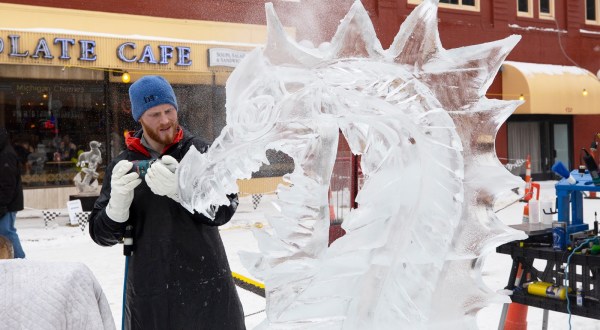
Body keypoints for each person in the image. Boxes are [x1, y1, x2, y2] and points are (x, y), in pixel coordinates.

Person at [88, 76, 245, 329]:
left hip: (207, 289)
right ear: (139, 116)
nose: (164, 120)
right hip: (151, 295)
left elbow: (226, 208)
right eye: (154, 114)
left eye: (168, 111)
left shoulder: (200, 152)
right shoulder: (124, 165)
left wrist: (183, 192)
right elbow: (100, 234)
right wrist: (115, 208)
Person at [0, 128, 25, 258]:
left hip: (8, 203)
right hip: (5, 202)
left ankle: (21, 260)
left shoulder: (6, 155)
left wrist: (3, 204)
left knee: (6, 232)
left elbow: (8, 184)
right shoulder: (3, 152)